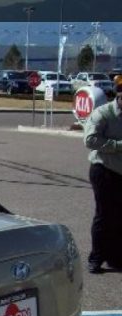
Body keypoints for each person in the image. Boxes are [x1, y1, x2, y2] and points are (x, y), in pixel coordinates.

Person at [83, 75, 122, 273]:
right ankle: (96, 258)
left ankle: (115, 257)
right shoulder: (103, 114)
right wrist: (118, 145)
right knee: (104, 215)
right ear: (119, 95)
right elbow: (90, 140)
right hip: (104, 171)